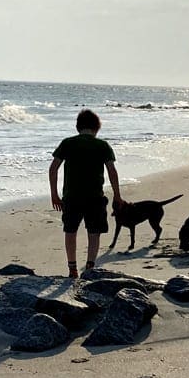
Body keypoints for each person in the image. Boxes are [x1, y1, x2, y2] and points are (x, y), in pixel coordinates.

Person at [49, 109, 124, 278]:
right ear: (97, 127)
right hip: (95, 197)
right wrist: (117, 195)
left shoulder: (67, 143)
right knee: (94, 232)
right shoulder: (102, 146)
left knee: (70, 231)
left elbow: (53, 168)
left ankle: (72, 268)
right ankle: (90, 266)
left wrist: (54, 194)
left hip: (71, 197)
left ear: (78, 127)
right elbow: (112, 171)